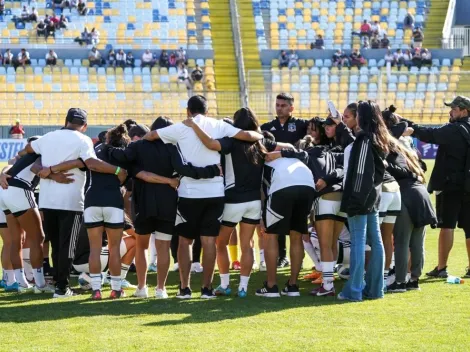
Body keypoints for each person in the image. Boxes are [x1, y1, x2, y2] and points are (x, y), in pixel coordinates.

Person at [143, 96, 263, 299]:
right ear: (207, 111)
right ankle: (207, 289)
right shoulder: (218, 125)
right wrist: (259, 135)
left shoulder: (181, 127)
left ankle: (185, 288)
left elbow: (151, 135)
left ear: (188, 111)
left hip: (188, 193)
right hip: (215, 193)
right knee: (209, 242)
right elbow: (249, 135)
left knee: (184, 242)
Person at [16, 108, 127, 298]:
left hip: (47, 199)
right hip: (71, 201)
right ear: (85, 126)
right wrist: (118, 170)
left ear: (66, 120)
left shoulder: (49, 137)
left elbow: (25, 152)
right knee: (67, 246)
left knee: (55, 244)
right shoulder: (83, 140)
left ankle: (58, 284)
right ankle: (62, 287)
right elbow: (91, 163)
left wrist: (50, 172)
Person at [183, 108, 292, 297]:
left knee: (221, 243)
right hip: (254, 201)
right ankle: (243, 288)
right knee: (247, 245)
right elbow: (289, 146)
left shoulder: (230, 140)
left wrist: (194, 125)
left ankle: (225, 284)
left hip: (233, 199)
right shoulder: (261, 139)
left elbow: (209, 143)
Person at [42, 124, 131, 299]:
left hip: (91, 201)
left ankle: (96, 290)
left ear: (106, 138)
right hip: (113, 201)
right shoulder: (123, 154)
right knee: (114, 249)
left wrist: (52, 170)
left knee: (95, 249)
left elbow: (78, 162)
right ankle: (116, 289)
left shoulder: (94, 150)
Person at [405, 96, 470, 279]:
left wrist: (411, 126)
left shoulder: (454, 129)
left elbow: (430, 134)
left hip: (451, 186)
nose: (451, 111)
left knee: (447, 225)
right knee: (469, 228)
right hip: (468, 186)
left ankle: (441, 268)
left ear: (464, 111)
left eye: (454, 109)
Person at [338, 101, 387, 301]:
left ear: (363, 117)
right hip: (373, 197)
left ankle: (354, 290)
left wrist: (354, 200)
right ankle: (376, 290)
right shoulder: (377, 138)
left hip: (362, 199)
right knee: (376, 242)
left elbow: (360, 174)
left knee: (360, 241)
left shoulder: (365, 140)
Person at [257, 138, 315, 297]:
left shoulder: (264, 161)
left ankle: (271, 286)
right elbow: (292, 147)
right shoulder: (289, 153)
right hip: (308, 185)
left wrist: (262, 218)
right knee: (296, 236)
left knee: (271, 236)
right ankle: (293, 285)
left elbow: (262, 193)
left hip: (283, 186)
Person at [0, 136, 55, 293]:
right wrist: (56, 175)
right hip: (20, 190)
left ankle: (22, 283)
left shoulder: (23, 156)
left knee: (15, 240)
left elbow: (9, 167)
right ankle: (40, 284)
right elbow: (36, 169)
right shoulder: (41, 154)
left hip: (4, 192)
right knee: (38, 238)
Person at [261, 93, 309, 268]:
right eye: (277, 104)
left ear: (291, 108)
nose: (279, 107)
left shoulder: (302, 125)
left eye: (283, 105)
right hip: (275, 179)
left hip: (299, 177)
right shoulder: (267, 127)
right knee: (277, 219)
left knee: (299, 225)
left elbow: (317, 133)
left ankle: (312, 259)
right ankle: (281, 256)